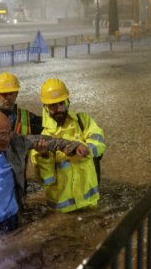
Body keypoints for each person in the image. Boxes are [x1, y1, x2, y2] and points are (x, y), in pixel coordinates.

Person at [0, 112, 84, 231]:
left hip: (9, 217)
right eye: (1, 135)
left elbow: (49, 141)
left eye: (9, 133)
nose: (7, 139)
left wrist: (73, 146)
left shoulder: (17, 143)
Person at [31, 78, 106, 212]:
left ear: (67, 102)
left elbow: (99, 142)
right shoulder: (43, 139)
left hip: (90, 203)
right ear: (46, 108)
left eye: (61, 103)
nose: (59, 109)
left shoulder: (83, 121)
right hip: (62, 212)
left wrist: (87, 149)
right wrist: (44, 156)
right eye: (53, 105)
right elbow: (46, 181)